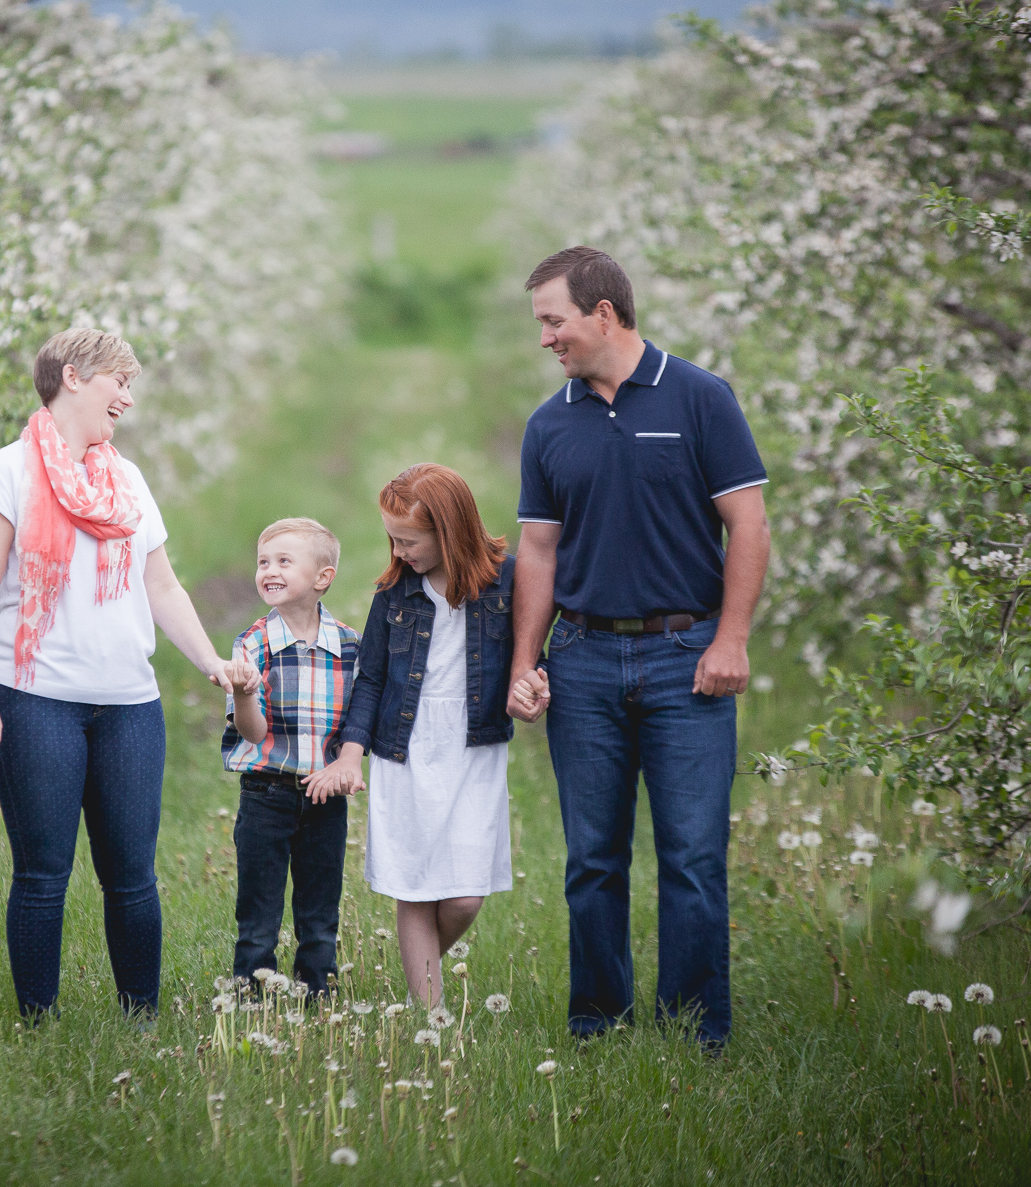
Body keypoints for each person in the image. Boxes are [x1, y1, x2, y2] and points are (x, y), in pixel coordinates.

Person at [507, 246, 770, 1049]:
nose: (546, 339)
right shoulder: (550, 422)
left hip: (684, 658)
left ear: (605, 314)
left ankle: (695, 1032)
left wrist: (731, 640)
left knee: (691, 858)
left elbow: (749, 526)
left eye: (554, 321)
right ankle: (598, 1025)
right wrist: (526, 661)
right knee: (592, 859)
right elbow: (539, 552)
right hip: (582, 662)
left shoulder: (700, 398)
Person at [0, 327, 237, 1022]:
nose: (129, 399)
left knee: (133, 877)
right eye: (120, 381)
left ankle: (141, 1020)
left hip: (129, 705)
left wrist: (211, 663)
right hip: (35, 701)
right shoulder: (5, 472)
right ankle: (38, 1026)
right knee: (45, 873)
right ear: (74, 376)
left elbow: (162, 587)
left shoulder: (127, 479)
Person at [317, 464, 515, 1009]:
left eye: (409, 540)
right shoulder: (395, 595)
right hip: (404, 746)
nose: (399, 551)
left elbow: (530, 653)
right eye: (393, 539)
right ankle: (431, 1014)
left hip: (475, 745)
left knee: (464, 897)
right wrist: (350, 756)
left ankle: (417, 973)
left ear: (449, 530)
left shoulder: (508, 580)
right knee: (415, 883)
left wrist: (533, 681)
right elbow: (373, 678)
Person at [221, 518, 360, 994]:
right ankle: (250, 992)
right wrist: (243, 693)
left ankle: (317, 992)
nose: (269, 570)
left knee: (320, 908)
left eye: (284, 561)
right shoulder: (253, 644)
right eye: (263, 562)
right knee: (258, 909)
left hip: (325, 798)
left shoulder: (348, 646)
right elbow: (253, 732)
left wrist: (348, 766)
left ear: (323, 577)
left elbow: (357, 724)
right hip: (266, 794)